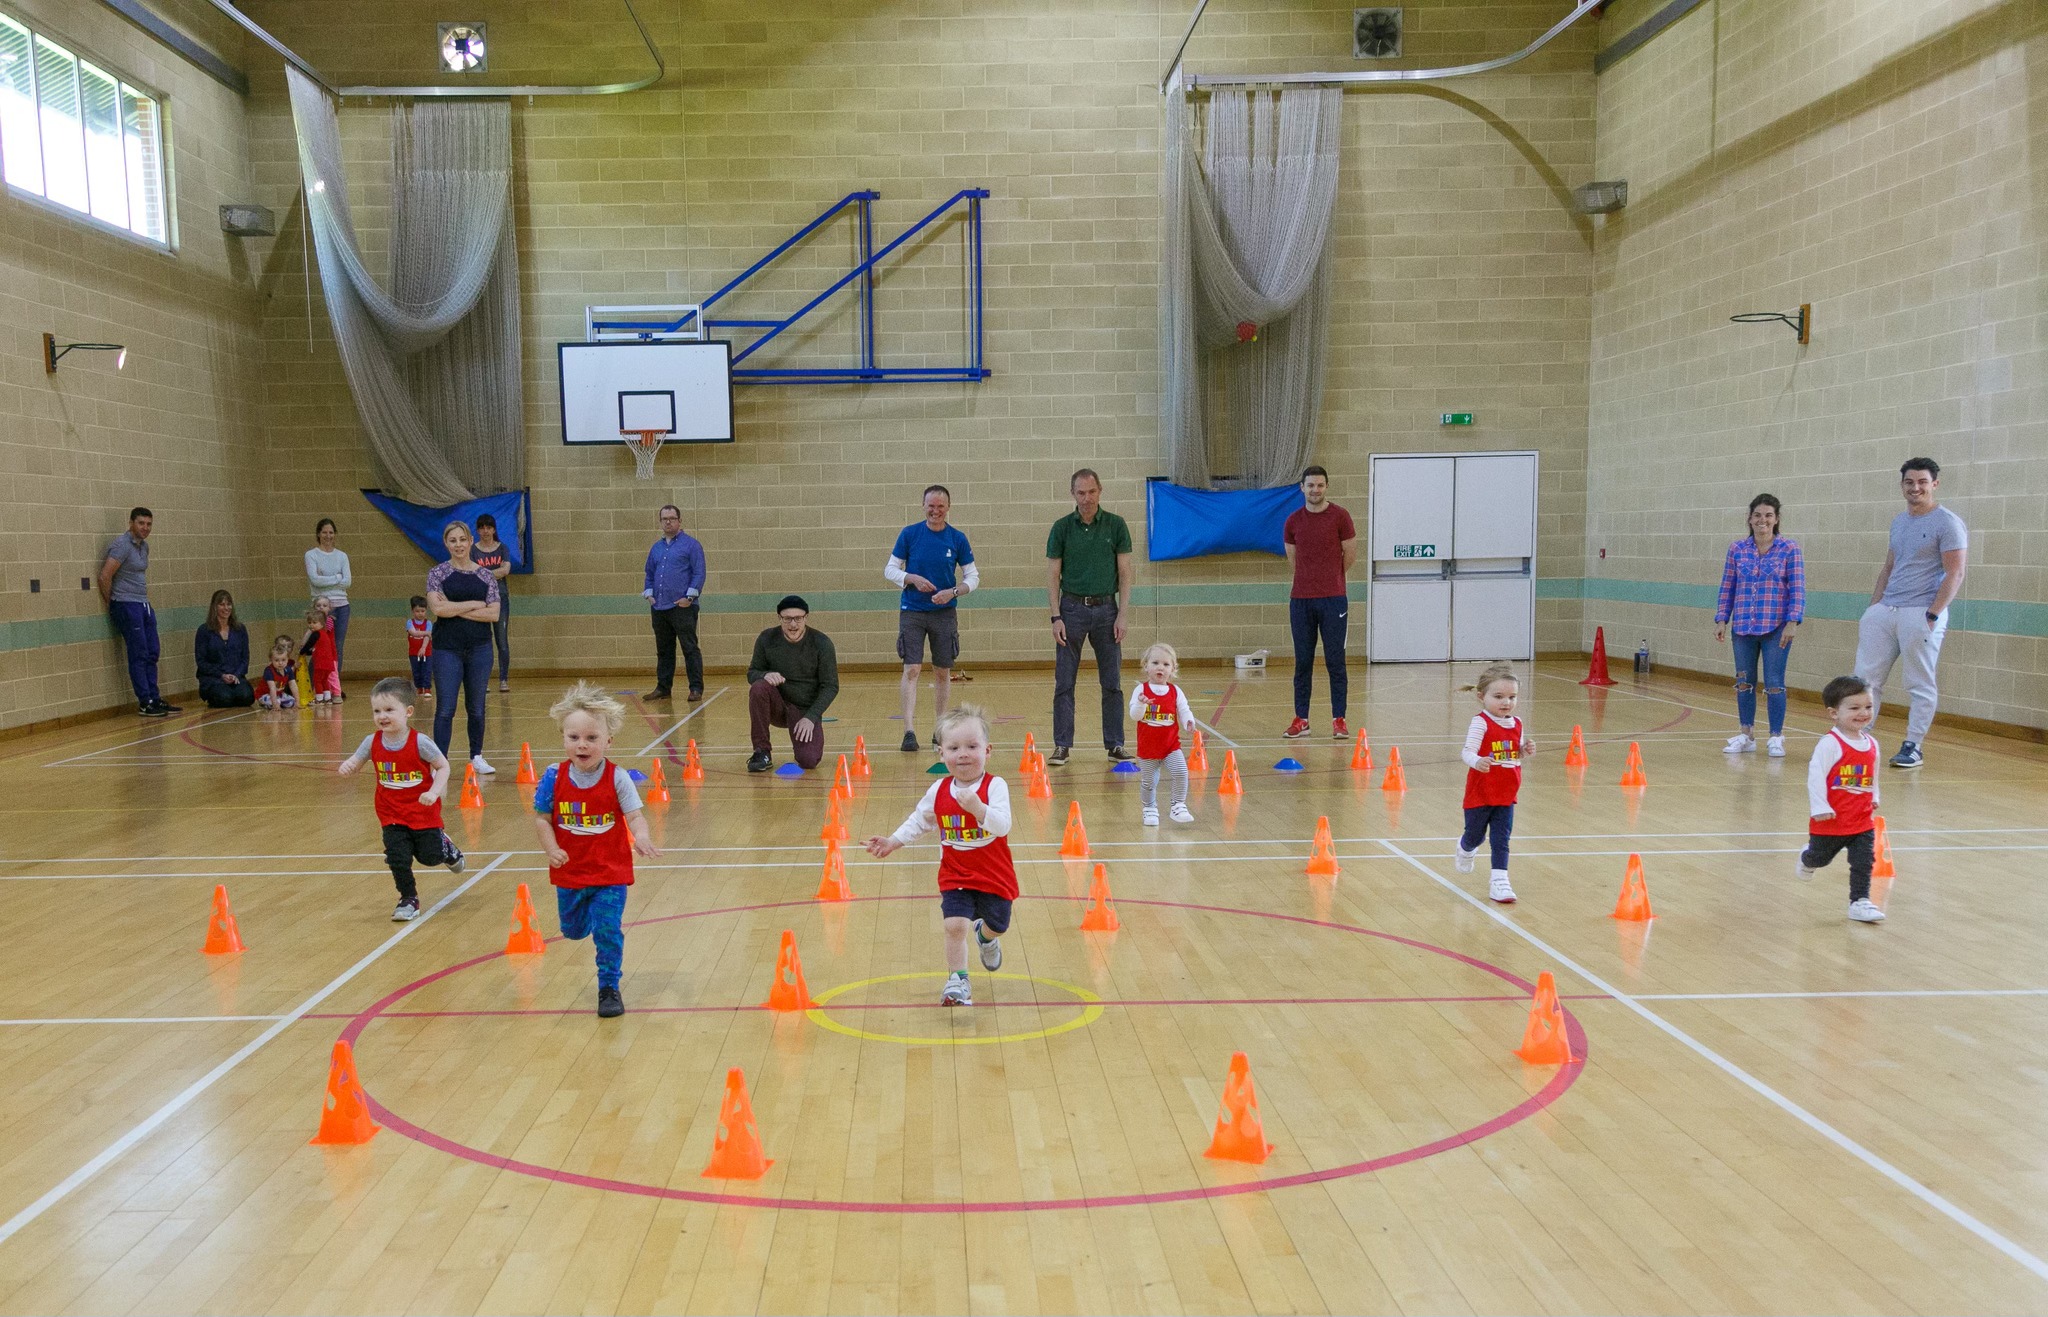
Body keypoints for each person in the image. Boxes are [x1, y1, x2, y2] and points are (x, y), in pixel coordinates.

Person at [864, 705, 1014, 1007]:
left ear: (988, 750)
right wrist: (893, 841)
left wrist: (978, 808)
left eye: (972, 746)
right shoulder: (939, 790)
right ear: (940, 753)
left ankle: (986, 938)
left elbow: (1002, 826)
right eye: (954, 747)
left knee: (998, 923)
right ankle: (958, 979)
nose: (963, 754)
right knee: (954, 925)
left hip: (994, 874)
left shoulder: (995, 786)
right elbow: (920, 820)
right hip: (955, 874)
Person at [531, 681, 660, 1017]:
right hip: (571, 871)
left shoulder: (618, 778)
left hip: (609, 872)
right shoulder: (552, 776)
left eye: (591, 738)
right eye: (574, 738)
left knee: (607, 929)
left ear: (608, 741)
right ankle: (585, 918)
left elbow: (635, 816)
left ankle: (608, 987)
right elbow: (542, 819)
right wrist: (551, 849)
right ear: (564, 739)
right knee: (572, 931)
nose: (582, 745)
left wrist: (642, 836)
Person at [1855, 458, 1967, 769]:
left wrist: (1932, 614)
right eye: (1909, 482)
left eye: (1921, 482)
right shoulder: (1899, 521)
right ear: (1902, 485)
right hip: (1886, 610)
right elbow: (1889, 567)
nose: (1915, 488)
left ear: (1934, 484)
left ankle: (1913, 746)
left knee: (1919, 682)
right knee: (1865, 679)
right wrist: (1874, 607)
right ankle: (1857, 740)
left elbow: (1955, 573)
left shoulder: (1947, 522)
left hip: (1920, 612)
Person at [337, 677, 466, 921]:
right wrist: (349, 765)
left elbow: (443, 767)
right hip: (391, 813)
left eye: (388, 710)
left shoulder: (420, 742)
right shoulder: (371, 741)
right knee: (397, 857)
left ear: (407, 712)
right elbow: (357, 759)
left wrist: (434, 791)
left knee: (430, 857)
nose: (382, 716)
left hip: (422, 812)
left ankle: (446, 848)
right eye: (377, 711)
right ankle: (408, 898)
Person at [1046, 468, 1134, 766]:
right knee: (1064, 682)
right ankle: (1062, 745)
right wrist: (1055, 617)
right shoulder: (1061, 528)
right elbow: (1053, 574)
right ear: (1073, 494)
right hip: (1071, 610)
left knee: (1112, 681)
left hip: (1107, 610)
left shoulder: (1116, 525)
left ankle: (1115, 744)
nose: (1086, 498)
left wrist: (1122, 614)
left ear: (1100, 490)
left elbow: (1125, 572)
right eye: (1081, 493)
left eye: (1091, 492)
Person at [886, 485, 978, 751]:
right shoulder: (910, 534)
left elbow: (973, 577)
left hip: (944, 613)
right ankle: (909, 732)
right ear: (923, 506)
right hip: (912, 611)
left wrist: (953, 592)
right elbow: (890, 569)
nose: (935, 510)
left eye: (940, 506)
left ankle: (940, 730)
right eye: (931, 505)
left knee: (942, 672)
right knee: (912, 669)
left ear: (948, 508)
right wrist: (910, 578)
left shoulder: (957, 539)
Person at [1714, 494, 1805, 757]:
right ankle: (1746, 733)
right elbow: (1727, 586)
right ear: (1749, 519)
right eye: (1757, 515)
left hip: (1776, 625)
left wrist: (1793, 621)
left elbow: (1797, 588)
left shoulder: (1789, 549)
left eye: (1768, 515)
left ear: (1776, 519)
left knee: (1775, 682)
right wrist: (1722, 618)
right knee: (1744, 681)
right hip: (1742, 625)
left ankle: (1776, 736)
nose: (1762, 520)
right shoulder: (1737, 549)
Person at [1799, 675, 1886, 923]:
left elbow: (1873, 773)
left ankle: (1860, 901)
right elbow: (1815, 776)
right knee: (1821, 858)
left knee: (1864, 860)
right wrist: (1820, 807)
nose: (1863, 713)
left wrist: (1874, 796)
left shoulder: (1872, 744)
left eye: (1868, 706)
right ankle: (1808, 857)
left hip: (1861, 820)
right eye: (1854, 708)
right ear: (1834, 713)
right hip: (1830, 819)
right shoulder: (1830, 744)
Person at [1282, 466, 1357, 740]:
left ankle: (1339, 719)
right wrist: (1309, 579)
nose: (1315, 490)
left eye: (1320, 485)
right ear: (1302, 488)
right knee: (1303, 661)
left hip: (1333, 600)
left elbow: (1349, 553)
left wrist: (1332, 579)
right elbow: (1293, 558)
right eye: (1310, 485)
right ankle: (1302, 719)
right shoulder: (1292, 521)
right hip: (1301, 601)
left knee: (1335, 661)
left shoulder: (1340, 516)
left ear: (1326, 487)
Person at [1454, 662, 1535, 905]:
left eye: (1512, 697)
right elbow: (1467, 752)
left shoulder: (1517, 723)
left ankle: (1500, 881)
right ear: (1482, 696)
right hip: (1481, 792)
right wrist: (1477, 761)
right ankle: (1465, 847)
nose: (1506, 702)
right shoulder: (1480, 722)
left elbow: (1512, 755)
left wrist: (1524, 750)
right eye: (1498, 696)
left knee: (1502, 839)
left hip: (1506, 793)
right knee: (1476, 835)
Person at [426, 520, 501, 775]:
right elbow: (438, 609)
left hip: (479, 649)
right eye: (452, 540)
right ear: (446, 544)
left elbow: (494, 614)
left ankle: (476, 755)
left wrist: (455, 609)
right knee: (446, 707)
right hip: (447, 649)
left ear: (470, 542)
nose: (458, 544)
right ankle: (440, 761)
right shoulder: (437, 574)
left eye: (462, 539)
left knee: (477, 707)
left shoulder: (486, 575)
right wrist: (474, 604)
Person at [746, 595, 840, 773]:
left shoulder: (822, 643)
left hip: (805, 710)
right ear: (779, 618)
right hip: (777, 706)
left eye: (798, 618)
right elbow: (752, 673)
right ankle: (761, 751)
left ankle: (804, 743)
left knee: (809, 760)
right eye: (787, 619)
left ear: (806, 618)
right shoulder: (766, 639)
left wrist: (811, 717)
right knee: (758, 687)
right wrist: (765, 674)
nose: (793, 625)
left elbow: (831, 686)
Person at [100, 507, 176, 717]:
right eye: (141, 523)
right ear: (131, 523)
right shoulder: (122, 545)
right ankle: (145, 701)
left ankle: (154, 696)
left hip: (143, 603)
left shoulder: (144, 547)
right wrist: (113, 604)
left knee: (152, 650)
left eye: (149, 524)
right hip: (126, 603)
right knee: (139, 652)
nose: (145, 528)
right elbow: (105, 576)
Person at [642, 504, 706, 702]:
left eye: (672, 518)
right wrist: (649, 594)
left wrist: (689, 598)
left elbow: (699, 573)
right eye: (664, 519)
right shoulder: (656, 548)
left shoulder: (691, 545)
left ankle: (695, 688)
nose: (668, 522)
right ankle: (663, 687)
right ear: (660, 522)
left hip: (682, 607)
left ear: (679, 521)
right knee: (664, 650)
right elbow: (649, 574)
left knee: (689, 648)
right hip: (659, 607)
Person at [1128, 642, 1195, 826]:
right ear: (1146, 666)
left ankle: (1178, 805)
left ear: (1173, 669)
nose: (1160, 667)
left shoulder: (1175, 691)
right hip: (1148, 746)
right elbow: (1134, 715)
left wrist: (1189, 721)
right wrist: (1141, 704)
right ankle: (1149, 808)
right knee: (1149, 782)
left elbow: (1184, 709)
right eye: (1155, 663)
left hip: (1170, 745)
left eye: (1166, 664)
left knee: (1181, 772)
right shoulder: (1141, 690)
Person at [304, 518, 353, 674]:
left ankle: (334, 685)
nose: (328, 536)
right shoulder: (311, 555)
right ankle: (313, 683)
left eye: (331, 532)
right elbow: (315, 580)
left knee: (337, 646)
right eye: (324, 532)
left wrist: (327, 579)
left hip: (342, 606)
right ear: (318, 534)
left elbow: (347, 582)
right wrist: (337, 577)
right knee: (319, 644)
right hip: (322, 608)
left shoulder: (342, 556)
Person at [471, 512, 513, 693]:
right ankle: (483, 680)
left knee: (501, 641)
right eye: (482, 528)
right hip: (480, 599)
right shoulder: (473, 550)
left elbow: (506, 570)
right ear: (478, 530)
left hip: (500, 598)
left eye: (489, 527)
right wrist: (494, 573)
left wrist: (485, 573)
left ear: (494, 529)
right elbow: (472, 573)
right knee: (482, 641)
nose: (485, 531)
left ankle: (503, 679)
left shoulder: (502, 548)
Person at [193, 589, 254, 708]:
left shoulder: (240, 629)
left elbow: (245, 658)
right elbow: (201, 662)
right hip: (214, 678)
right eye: (222, 604)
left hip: (236, 677)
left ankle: (235, 692)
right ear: (214, 607)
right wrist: (221, 675)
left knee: (247, 697)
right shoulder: (204, 631)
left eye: (228, 604)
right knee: (224, 698)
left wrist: (236, 674)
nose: (226, 608)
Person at [300, 601, 341, 703]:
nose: (311, 625)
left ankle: (319, 698)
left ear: (322, 623)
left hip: (321, 663)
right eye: (309, 623)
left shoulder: (316, 634)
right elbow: (316, 648)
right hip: (328, 662)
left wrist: (301, 652)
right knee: (324, 680)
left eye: (314, 623)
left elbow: (308, 645)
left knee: (317, 680)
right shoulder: (323, 634)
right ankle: (327, 698)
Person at [256, 636, 300, 709]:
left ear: (287, 659)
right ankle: (265, 702)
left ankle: (278, 701)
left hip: (279, 694)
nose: (280, 663)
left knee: (291, 702)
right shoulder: (269, 671)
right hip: (265, 694)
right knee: (276, 702)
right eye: (276, 660)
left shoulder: (288, 670)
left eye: (283, 660)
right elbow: (272, 688)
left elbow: (293, 685)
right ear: (271, 660)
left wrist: (297, 702)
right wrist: (275, 704)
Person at [405, 597, 434, 697]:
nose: (420, 613)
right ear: (413, 611)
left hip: (427, 652)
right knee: (416, 671)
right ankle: (419, 687)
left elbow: (427, 638)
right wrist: (427, 632)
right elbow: (414, 632)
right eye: (417, 611)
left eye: (423, 611)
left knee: (426, 670)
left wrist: (423, 648)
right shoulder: (409, 622)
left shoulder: (428, 623)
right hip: (413, 652)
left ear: (426, 611)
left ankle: (427, 688)